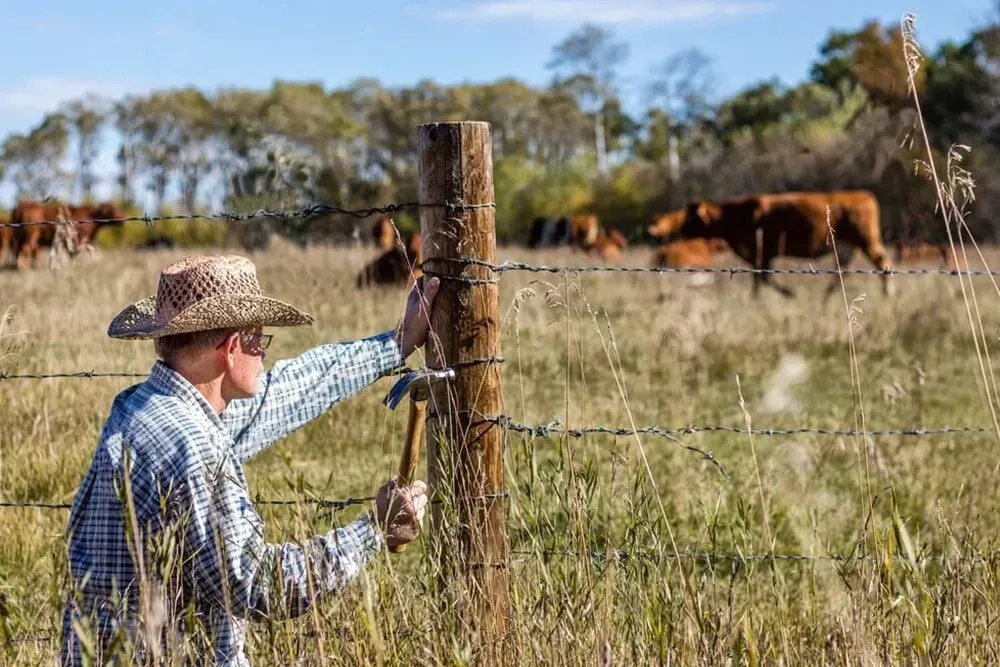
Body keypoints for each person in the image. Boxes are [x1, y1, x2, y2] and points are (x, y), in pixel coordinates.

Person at [60, 254, 440, 666]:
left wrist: (396, 343)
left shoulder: (147, 407)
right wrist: (374, 530)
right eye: (259, 339)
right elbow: (257, 584)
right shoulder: (192, 445)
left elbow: (291, 390)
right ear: (230, 348)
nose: (263, 353)